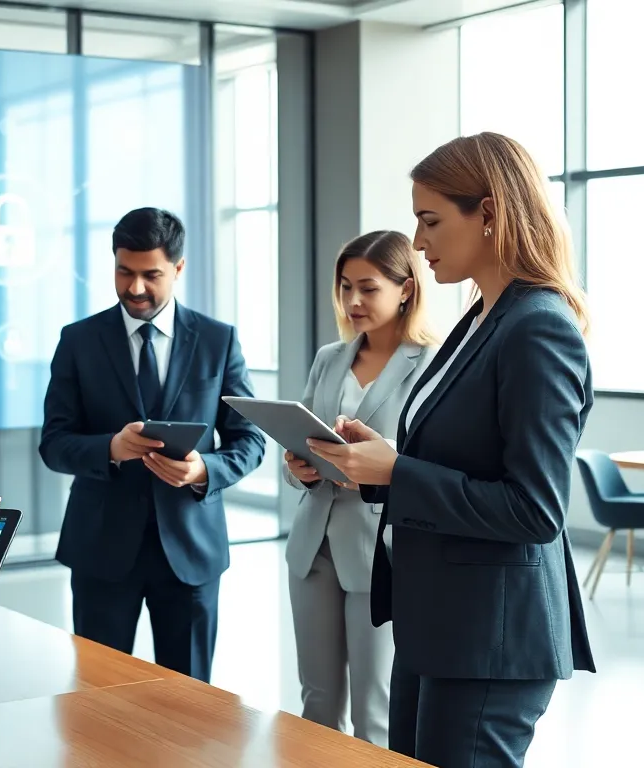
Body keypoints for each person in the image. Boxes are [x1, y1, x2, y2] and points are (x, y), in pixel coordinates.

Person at [307, 133, 596, 768]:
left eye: (431, 220)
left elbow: (536, 509)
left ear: (489, 214)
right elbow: (458, 459)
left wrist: (399, 471)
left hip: (489, 637)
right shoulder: (480, 319)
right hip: (438, 622)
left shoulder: (537, 326)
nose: (417, 242)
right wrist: (379, 464)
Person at [38, 207, 266, 683]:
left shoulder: (217, 341)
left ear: (179, 269)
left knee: (191, 708)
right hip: (101, 549)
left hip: (191, 550)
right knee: (98, 700)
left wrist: (205, 470)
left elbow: (250, 438)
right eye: (124, 271)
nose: (135, 288)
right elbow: (54, 443)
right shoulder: (78, 341)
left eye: (151, 275)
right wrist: (111, 449)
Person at [283, 231, 437, 746]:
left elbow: (431, 459)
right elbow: (304, 440)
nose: (352, 302)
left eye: (368, 289)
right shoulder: (330, 357)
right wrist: (296, 466)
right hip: (313, 543)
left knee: (376, 709)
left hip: (381, 551)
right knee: (317, 702)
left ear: (406, 289)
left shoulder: (434, 362)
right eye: (346, 287)